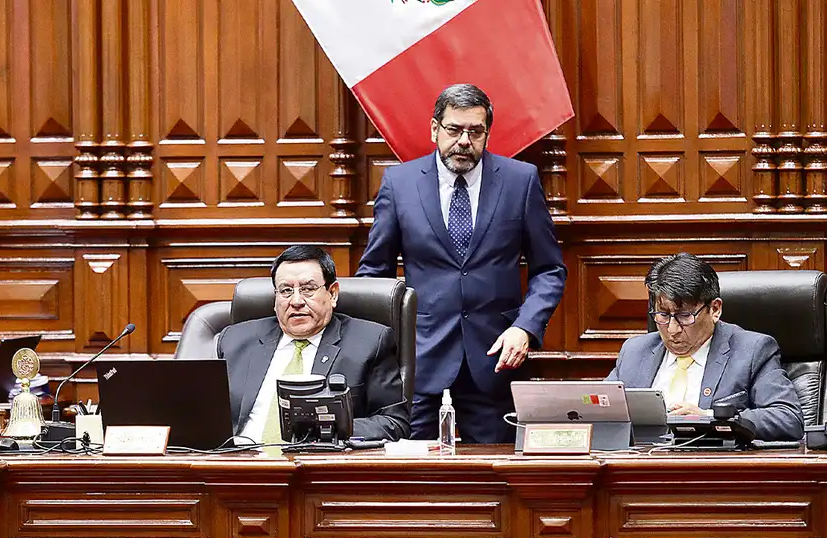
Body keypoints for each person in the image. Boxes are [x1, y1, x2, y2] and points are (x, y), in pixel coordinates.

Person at [356, 83, 566, 443]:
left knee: (494, 472)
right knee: (413, 472)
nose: (464, 141)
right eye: (454, 129)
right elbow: (375, 275)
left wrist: (525, 328)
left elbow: (549, 269)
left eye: (475, 131)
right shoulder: (400, 184)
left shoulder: (520, 181)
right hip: (420, 362)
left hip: (496, 360)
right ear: (434, 129)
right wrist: (382, 350)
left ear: (487, 133)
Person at [217, 245, 410, 443]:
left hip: (317, 459)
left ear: (332, 294)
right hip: (238, 457)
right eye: (286, 291)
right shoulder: (235, 340)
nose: (296, 301)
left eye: (308, 289)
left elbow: (394, 423)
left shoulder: (370, 342)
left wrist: (328, 429)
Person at [606, 253, 803, 441]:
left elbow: (787, 417)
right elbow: (599, 411)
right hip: (641, 460)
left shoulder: (752, 351)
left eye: (684, 316)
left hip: (711, 461)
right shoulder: (635, 352)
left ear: (715, 309)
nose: (672, 329)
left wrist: (709, 418)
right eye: (663, 315)